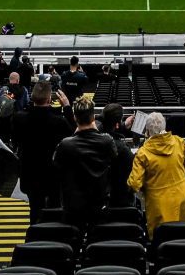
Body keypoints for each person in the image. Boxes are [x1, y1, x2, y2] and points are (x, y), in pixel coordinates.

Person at [55, 101, 127, 233]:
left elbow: (57, 164)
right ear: (93, 117)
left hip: (73, 206)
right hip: (99, 205)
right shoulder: (107, 141)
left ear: (75, 118)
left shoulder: (65, 144)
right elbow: (114, 158)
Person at [128, 111, 185, 236]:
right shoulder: (178, 142)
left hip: (158, 206)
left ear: (148, 131)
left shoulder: (142, 153)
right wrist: (179, 173)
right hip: (182, 200)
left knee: (162, 240)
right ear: (164, 127)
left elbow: (134, 184)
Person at [12, 80, 73, 209]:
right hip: (52, 175)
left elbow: (15, 142)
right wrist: (67, 107)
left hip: (29, 173)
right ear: (49, 98)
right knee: (54, 209)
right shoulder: (58, 122)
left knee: (34, 210)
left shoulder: (19, 118)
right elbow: (73, 137)